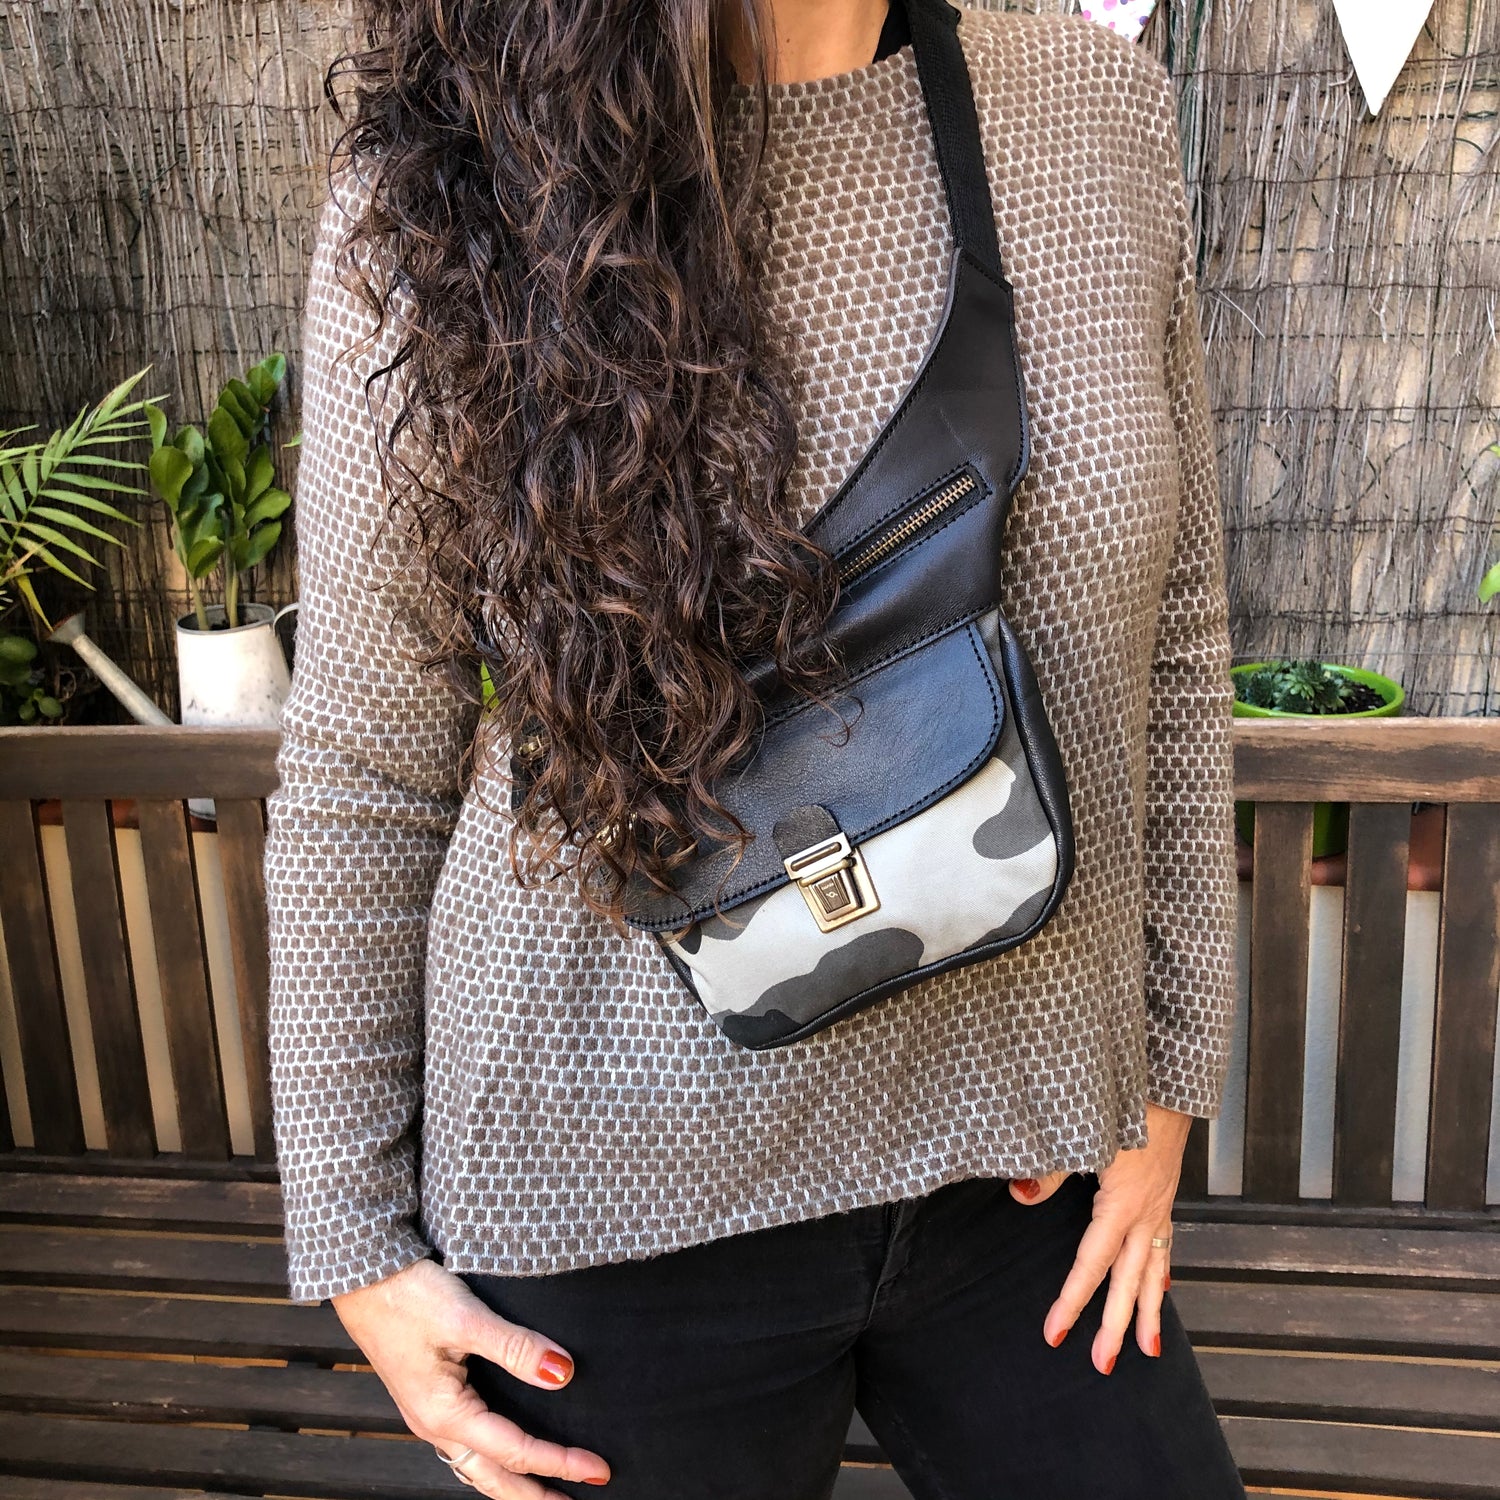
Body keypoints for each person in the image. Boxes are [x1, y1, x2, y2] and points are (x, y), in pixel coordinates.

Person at [263, 0, 1249, 1496]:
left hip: (1028, 1172)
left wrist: (1168, 1082)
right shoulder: (458, 173)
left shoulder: (1094, 114)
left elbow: (1174, 643)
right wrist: (353, 1237)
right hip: (610, 1208)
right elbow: (364, 758)